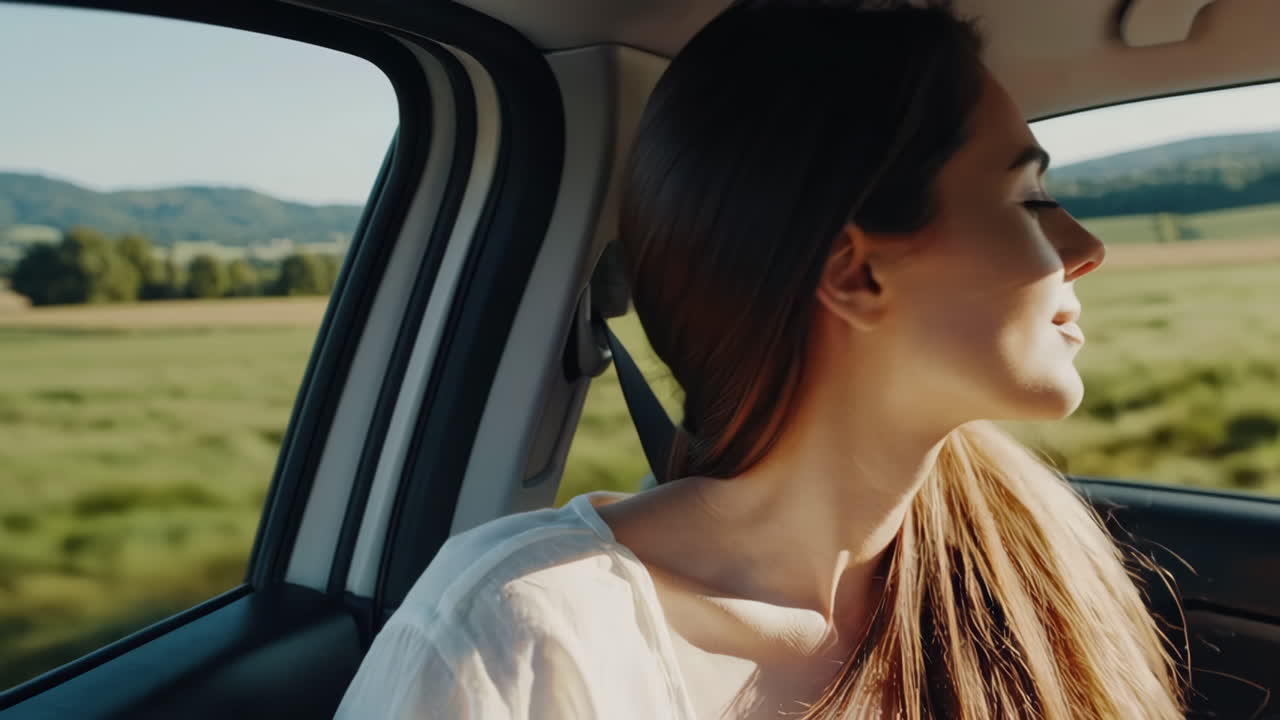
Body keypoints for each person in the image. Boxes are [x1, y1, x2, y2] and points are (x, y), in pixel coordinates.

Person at [335, 1, 1186, 717]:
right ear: (856, 273)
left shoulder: (1036, 566)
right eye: (1030, 198)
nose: (1085, 247)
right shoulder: (514, 634)